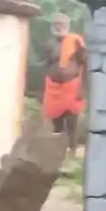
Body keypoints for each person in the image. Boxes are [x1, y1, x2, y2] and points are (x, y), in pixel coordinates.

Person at [42, 14, 86, 155]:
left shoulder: (76, 41)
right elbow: (47, 65)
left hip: (72, 88)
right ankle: (57, 154)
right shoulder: (50, 43)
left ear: (67, 26)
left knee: (72, 123)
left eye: (61, 24)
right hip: (54, 89)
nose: (58, 27)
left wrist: (83, 89)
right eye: (56, 24)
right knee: (57, 125)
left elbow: (85, 64)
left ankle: (72, 152)